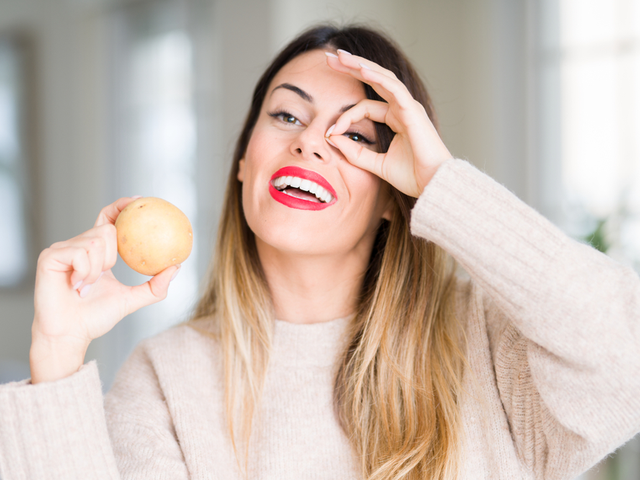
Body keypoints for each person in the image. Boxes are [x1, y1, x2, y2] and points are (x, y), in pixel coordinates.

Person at [1, 24, 639, 480]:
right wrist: (56, 357)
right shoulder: (166, 379)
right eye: (285, 116)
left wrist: (446, 185)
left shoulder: (489, 347)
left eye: (358, 135)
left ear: (396, 192)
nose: (311, 144)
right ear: (245, 161)